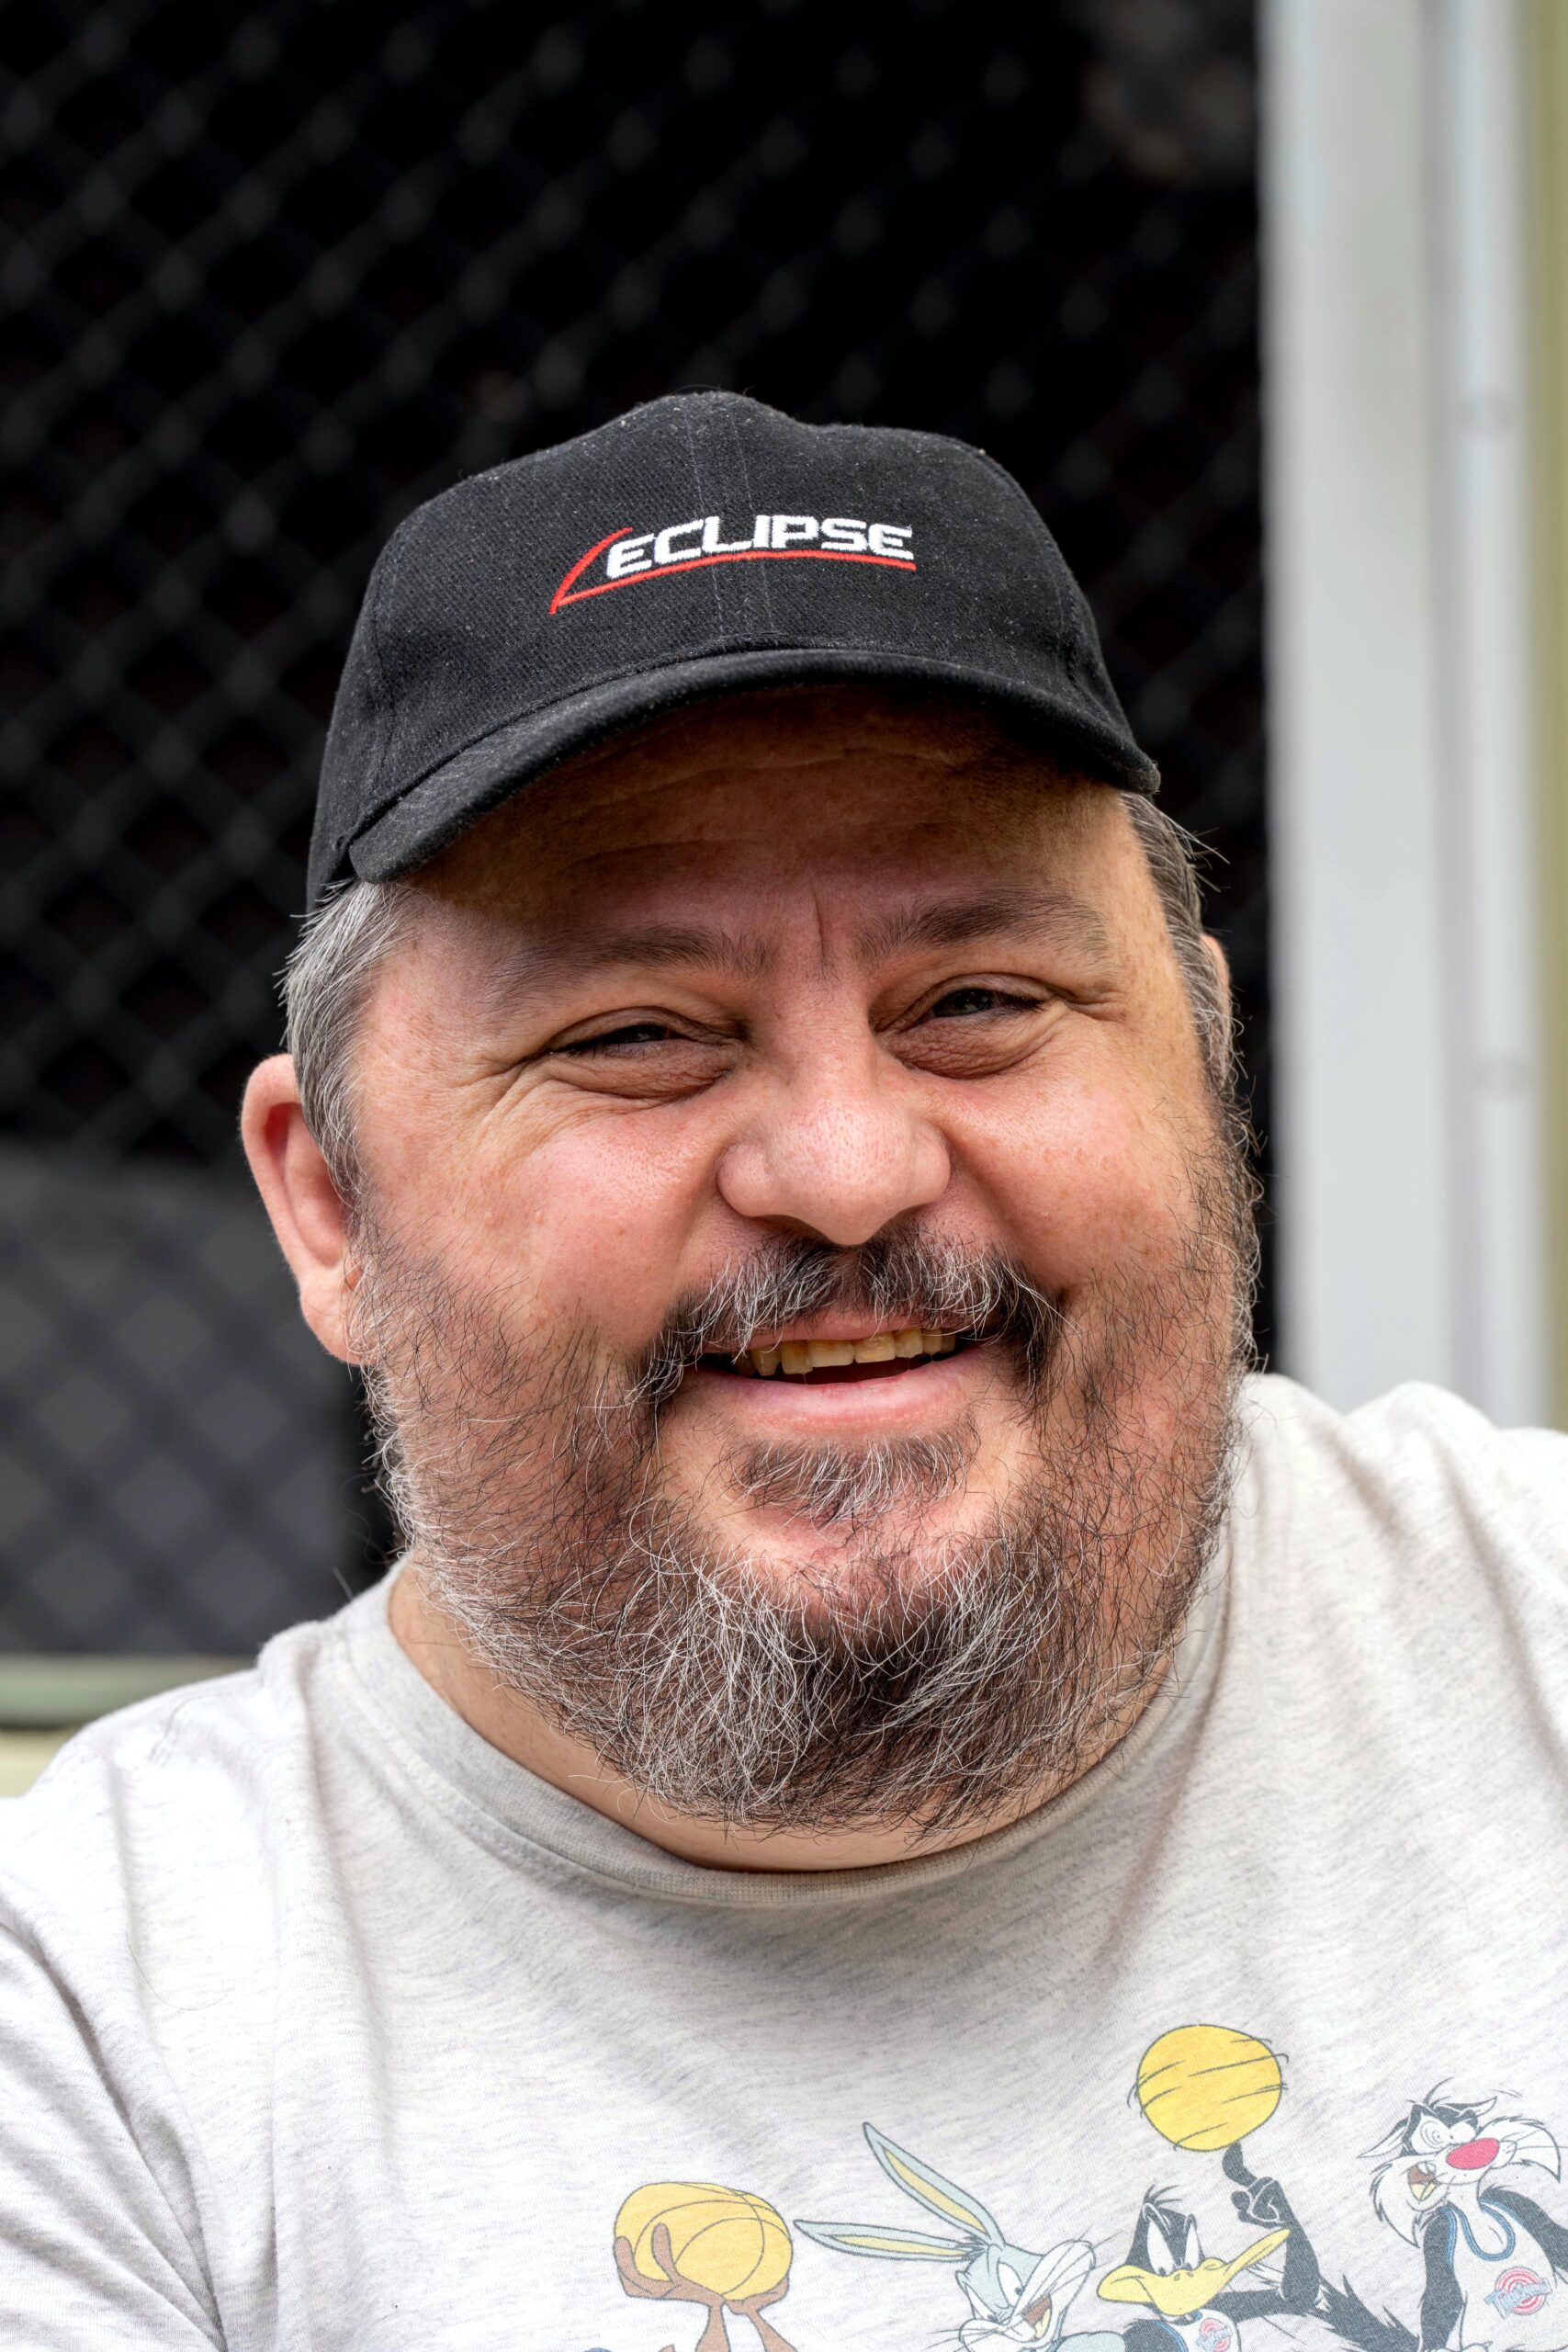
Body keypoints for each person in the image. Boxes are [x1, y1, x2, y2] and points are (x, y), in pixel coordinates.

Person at [2, 394, 1565, 2352]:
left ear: (1201, 1063)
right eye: (639, 1029)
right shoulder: (92, 2038)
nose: (843, 1169)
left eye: (978, 1003)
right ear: (334, 1209)